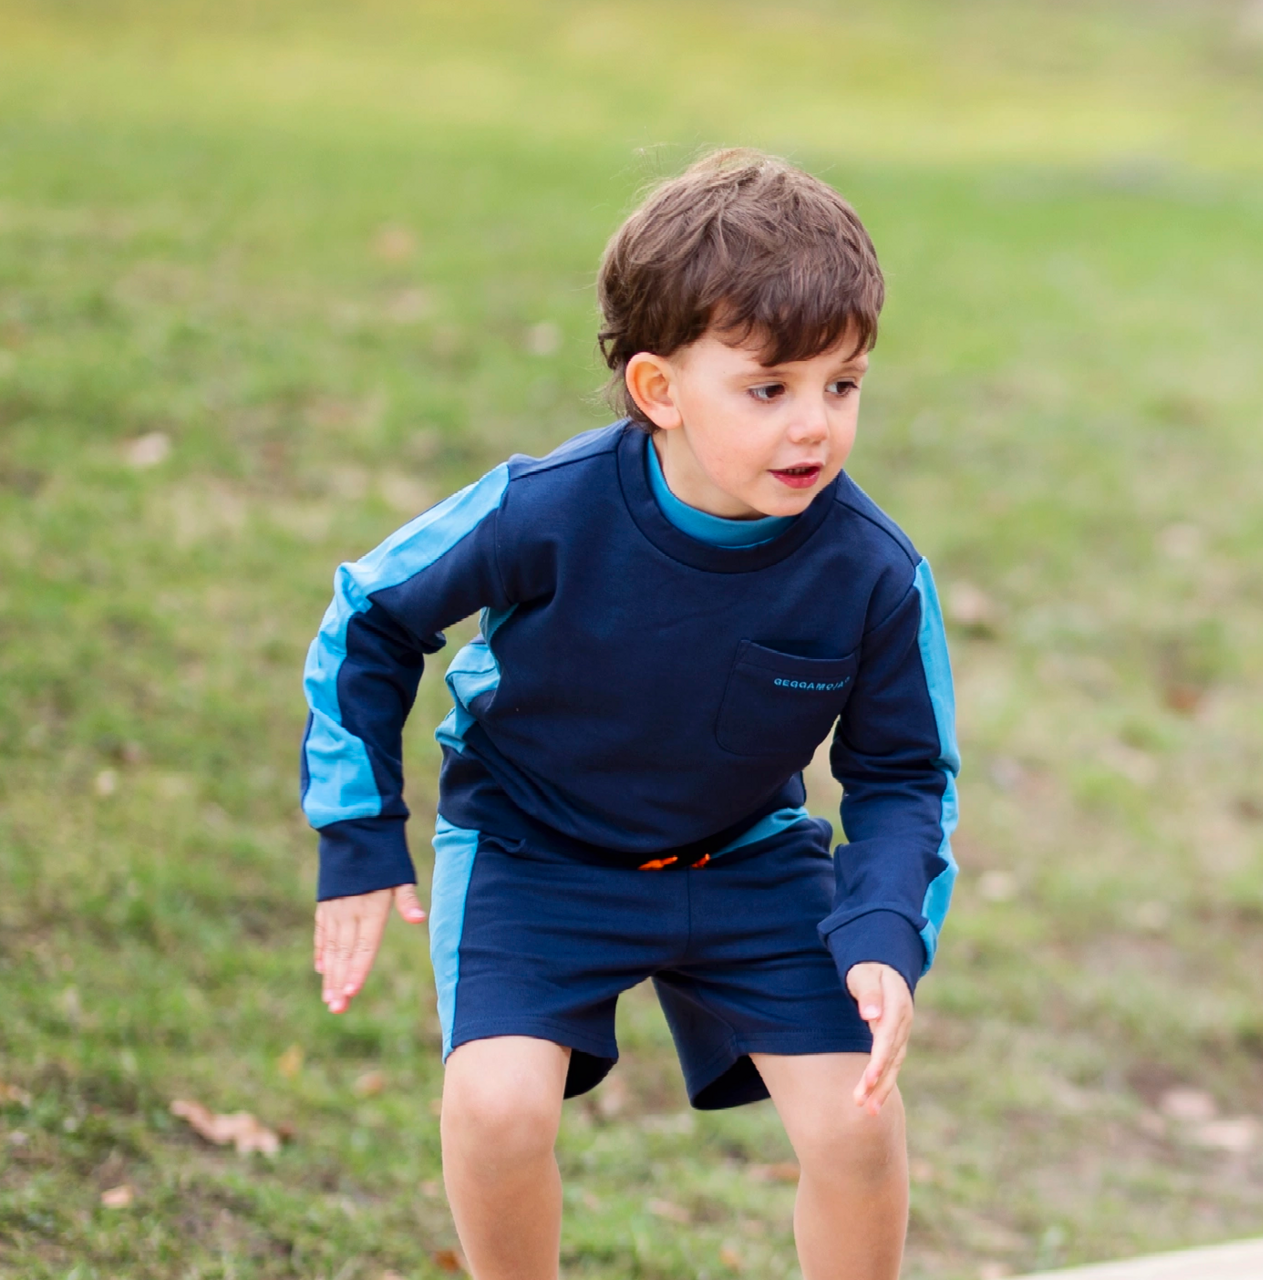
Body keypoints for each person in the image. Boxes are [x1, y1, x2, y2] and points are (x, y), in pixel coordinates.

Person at [301, 149, 959, 1280]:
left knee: (857, 1118)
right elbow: (368, 616)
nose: (814, 425)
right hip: (532, 850)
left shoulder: (875, 572)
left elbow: (902, 775)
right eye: (770, 388)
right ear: (659, 391)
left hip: (746, 859)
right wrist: (360, 840)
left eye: (840, 385)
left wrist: (883, 933)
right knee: (499, 1106)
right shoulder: (542, 509)